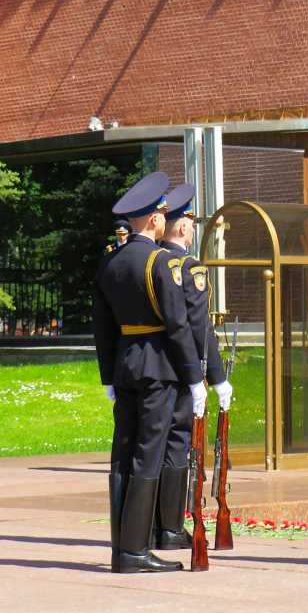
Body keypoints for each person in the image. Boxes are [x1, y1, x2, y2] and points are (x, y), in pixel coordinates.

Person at [93, 171, 206, 573]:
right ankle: (135, 552)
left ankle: (121, 549)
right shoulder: (159, 262)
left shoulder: (111, 262)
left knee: (122, 454)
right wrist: (194, 378)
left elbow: (102, 325)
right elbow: (177, 326)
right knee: (148, 454)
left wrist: (107, 375)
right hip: (158, 369)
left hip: (124, 366)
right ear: (156, 220)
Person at [154, 182, 232, 549]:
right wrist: (215, 379)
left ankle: (151, 526)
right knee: (178, 443)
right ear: (183, 227)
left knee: (150, 445)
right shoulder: (188, 267)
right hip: (183, 372)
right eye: (190, 221)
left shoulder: (151, 262)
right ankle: (170, 528)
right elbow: (199, 329)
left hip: (153, 370)